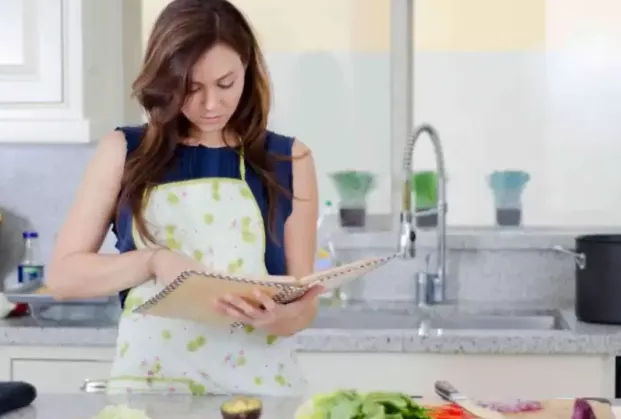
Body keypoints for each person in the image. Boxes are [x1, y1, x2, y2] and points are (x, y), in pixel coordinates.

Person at [47, 0, 322, 396]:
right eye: (191, 89)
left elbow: (302, 305)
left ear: (247, 68)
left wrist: (279, 319)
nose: (211, 105)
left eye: (225, 84)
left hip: (261, 392)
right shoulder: (124, 151)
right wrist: (154, 261)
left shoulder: (289, 159)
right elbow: (63, 278)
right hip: (152, 391)